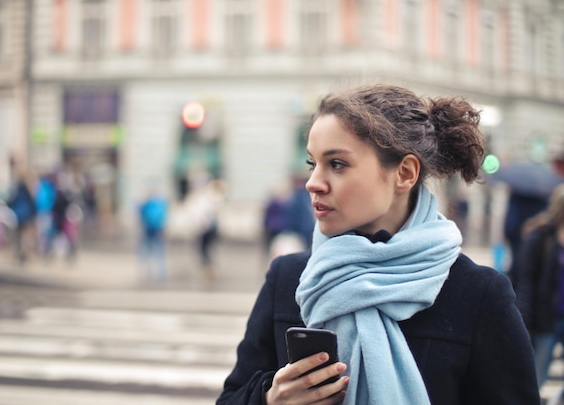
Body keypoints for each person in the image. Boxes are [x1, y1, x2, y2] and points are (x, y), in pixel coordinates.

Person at [217, 84, 539, 405]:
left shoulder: (478, 294)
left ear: (405, 173)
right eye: (312, 164)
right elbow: (231, 398)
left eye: (337, 164)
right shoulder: (288, 278)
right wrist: (269, 398)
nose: (313, 183)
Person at [514, 183, 564, 391]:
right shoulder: (541, 237)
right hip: (547, 318)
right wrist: (524, 320)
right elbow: (525, 280)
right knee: (536, 377)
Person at [137, 187, 169, 283]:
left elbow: (140, 216)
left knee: (146, 253)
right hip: (157, 231)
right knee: (158, 253)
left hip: (147, 231)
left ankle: (146, 272)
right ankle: (160, 274)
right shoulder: (160, 205)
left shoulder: (146, 205)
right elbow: (163, 217)